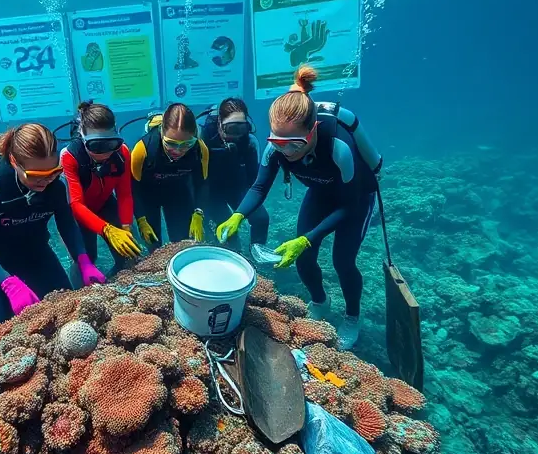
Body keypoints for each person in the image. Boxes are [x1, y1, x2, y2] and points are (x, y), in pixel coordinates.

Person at [216, 65, 384, 350]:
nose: (285, 151)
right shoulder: (277, 149)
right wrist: (237, 215)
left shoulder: (338, 149)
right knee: (304, 259)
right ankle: (320, 301)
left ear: (313, 129)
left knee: (343, 262)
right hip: (321, 193)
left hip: (355, 200)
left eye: (293, 144)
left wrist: (307, 238)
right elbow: (259, 187)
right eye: (277, 142)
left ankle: (352, 317)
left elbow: (348, 206)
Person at [0, 123, 104, 334]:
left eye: (53, 172)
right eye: (35, 175)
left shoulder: (58, 186)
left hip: (35, 250)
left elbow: (67, 226)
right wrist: (8, 283)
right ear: (14, 162)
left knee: (65, 313)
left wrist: (83, 260)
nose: (45, 181)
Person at [60, 100, 141, 284]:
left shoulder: (122, 153)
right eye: (96, 146)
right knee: (85, 260)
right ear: (83, 138)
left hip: (106, 204)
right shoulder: (69, 156)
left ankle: (118, 281)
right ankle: (79, 294)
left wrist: (126, 226)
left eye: (111, 144)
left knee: (129, 253)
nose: (105, 153)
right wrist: (106, 229)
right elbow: (76, 204)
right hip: (80, 214)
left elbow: (125, 194)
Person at [130, 103, 210, 251]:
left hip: (178, 194)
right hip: (148, 196)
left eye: (187, 144)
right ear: (161, 133)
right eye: (171, 144)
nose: (178, 151)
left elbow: (202, 183)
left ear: (195, 138)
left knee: (182, 242)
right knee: (153, 245)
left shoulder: (200, 149)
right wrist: (141, 219)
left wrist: (199, 213)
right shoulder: (142, 149)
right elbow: (133, 187)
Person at [200, 97, 269, 251]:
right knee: (230, 235)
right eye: (232, 128)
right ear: (219, 124)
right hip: (210, 191)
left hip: (237, 186)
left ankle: (257, 254)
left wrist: (242, 212)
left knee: (261, 219)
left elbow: (254, 183)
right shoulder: (203, 138)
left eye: (242, 129)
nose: (237, 135)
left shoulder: (250, 142)